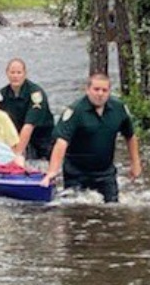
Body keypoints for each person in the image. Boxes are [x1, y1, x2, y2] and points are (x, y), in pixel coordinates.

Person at [42, 73, 141, 202]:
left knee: (112, 207)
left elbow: (130, 136)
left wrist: (135, 163)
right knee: (76, 210)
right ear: (87, 90)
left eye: (104, 90)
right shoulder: (76, 111)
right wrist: (52, 171)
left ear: (109, 92)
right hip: (76, 173)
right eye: (96, 89)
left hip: (106, 172)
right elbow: (61, 142)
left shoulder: (119, 108)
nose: (100, 94)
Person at [0, 58, 55, 161]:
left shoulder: (36, 94)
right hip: (17, 137)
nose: (15, 76)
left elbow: (28, 126)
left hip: (41, 141)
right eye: (12, 72)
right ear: (7, 73)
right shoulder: (2, 94)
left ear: (25, 74)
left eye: (19, 72)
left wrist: (17, 155)